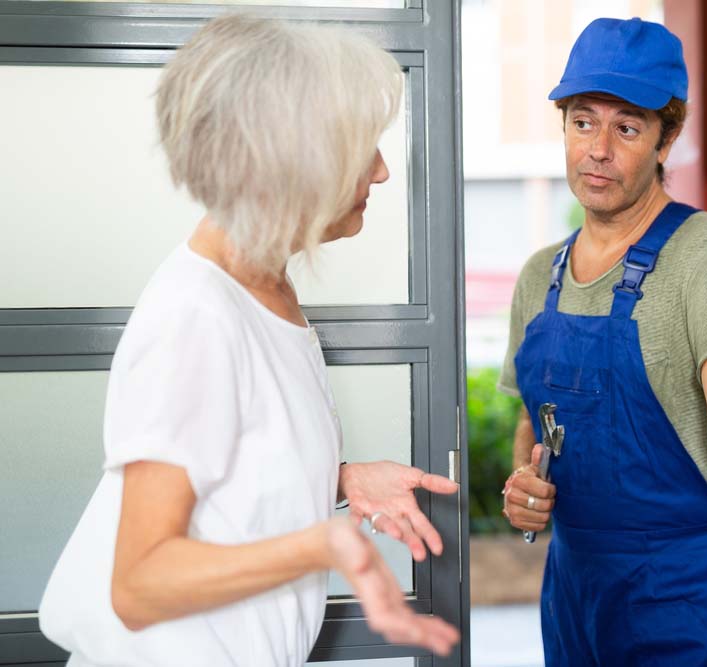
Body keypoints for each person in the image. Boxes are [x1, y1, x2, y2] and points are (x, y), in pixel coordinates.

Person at [38, 14, 459, 666]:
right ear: (292, 162)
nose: (379, 172)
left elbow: (230, 463)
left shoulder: (265, 288)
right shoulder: (194, 317)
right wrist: (324, 544)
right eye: (361, 149)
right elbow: (137, 583)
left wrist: (341, 477)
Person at [499, 17, 707, 666]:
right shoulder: (538, 277)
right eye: (583, 121)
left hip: (686, 590)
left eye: (627, 127)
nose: (598, 149)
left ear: (667, 138)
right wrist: (526, 481)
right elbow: (536, 418)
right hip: (574, 590)